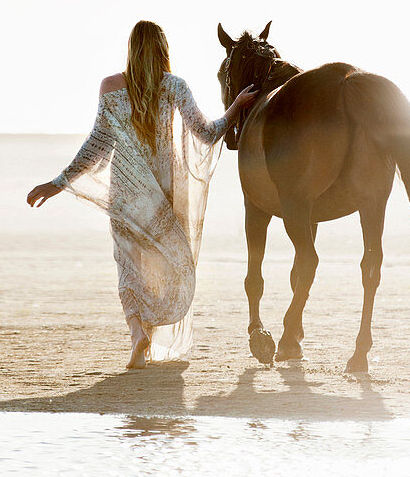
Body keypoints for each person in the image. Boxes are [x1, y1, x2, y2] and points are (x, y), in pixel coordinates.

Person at [27, 20, 257, 369]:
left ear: (131, 48)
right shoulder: (175, 86)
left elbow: (97, 147)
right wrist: (236, 106)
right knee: (171, 265)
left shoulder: (109, 86)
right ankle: (147, 334)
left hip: (126, 192)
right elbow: (207, 134)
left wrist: (57, 183)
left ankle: (138, 333)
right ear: (164, 49)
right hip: (164, 193)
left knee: (129, 266)